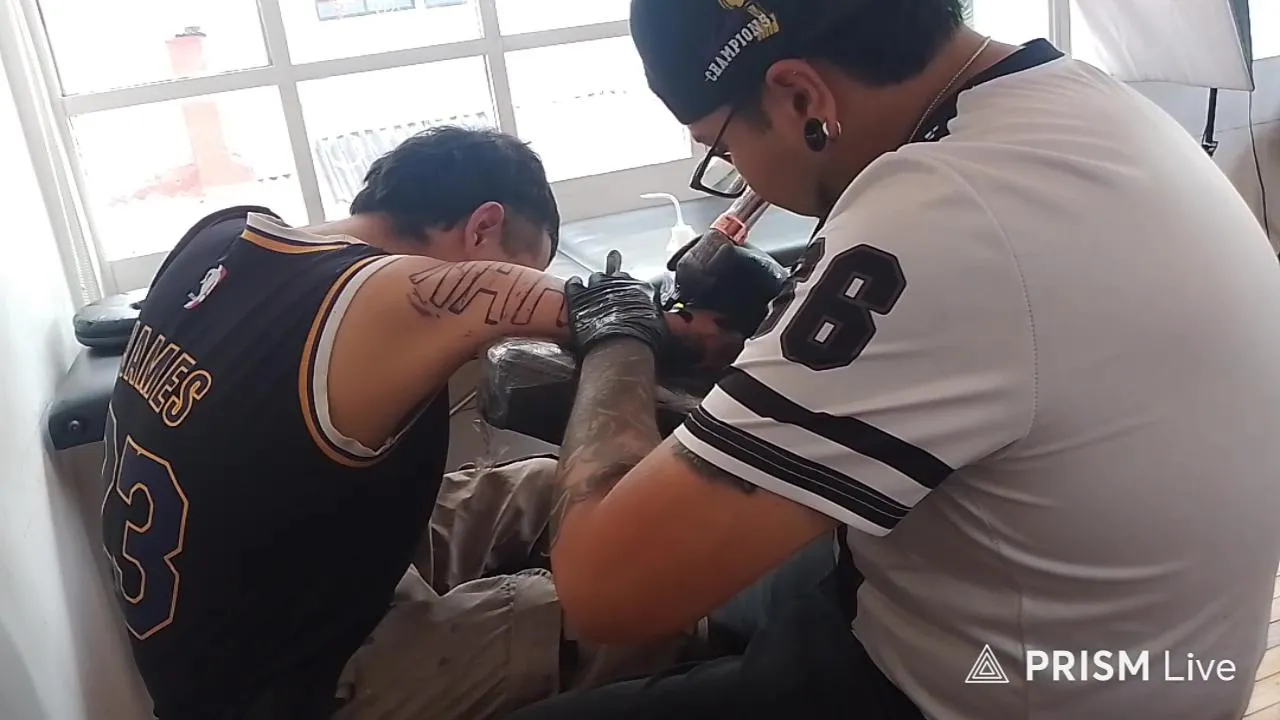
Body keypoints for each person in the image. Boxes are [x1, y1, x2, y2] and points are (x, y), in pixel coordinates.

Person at [511, 1, 1280, 718]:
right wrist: (772, 318)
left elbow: (605, 589)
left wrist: (618, 333)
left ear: (803, 99)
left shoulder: (938, 212)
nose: (739, 177)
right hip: (1148, 658)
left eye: (724, 147)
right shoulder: (1076, 103)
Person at [99, 126, 743, 719]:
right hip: (292, 689)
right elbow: (597, 307)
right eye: (527, 264)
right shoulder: (387, 293)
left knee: (548, 488)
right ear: (484, 228)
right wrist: (669, 328)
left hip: (270, 589)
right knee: (636, 606)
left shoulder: (222, 238)